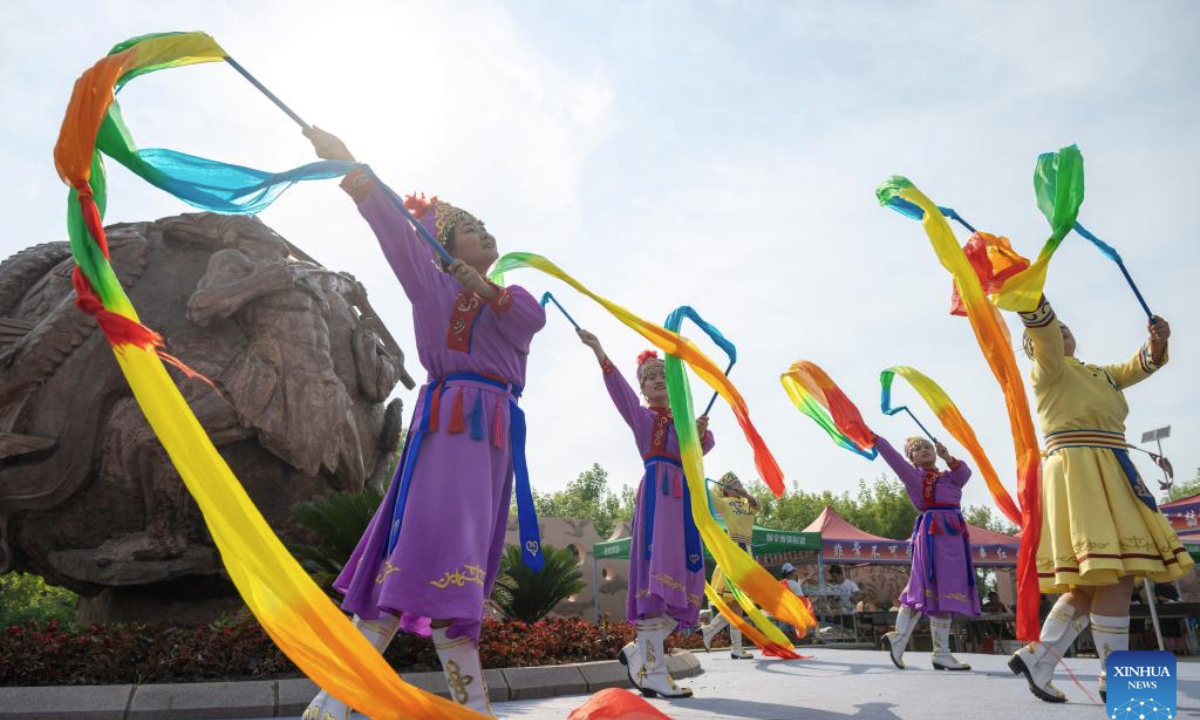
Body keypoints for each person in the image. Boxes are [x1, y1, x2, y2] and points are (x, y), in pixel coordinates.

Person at [301, 127, 547, 718]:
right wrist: (350, 165)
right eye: (469, 228)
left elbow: (527, 322)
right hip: (452, 425)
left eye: (485, 225)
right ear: (444, 244)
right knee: (420, 546)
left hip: (492, 436)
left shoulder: (513, 300)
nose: (484, 232)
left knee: (457, 561)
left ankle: (355, 705)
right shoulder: (429, 285)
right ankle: (337, 701)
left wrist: (485, 289)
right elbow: (390, 226)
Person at [1006, 298, 1192, 703]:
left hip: (1111, 466)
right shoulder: (1047, 370)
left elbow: (1138, 366)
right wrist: (1029, 295)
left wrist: (1158, 344)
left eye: (1067, 329)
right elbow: (1044, 334)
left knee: (1093, 582)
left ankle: (1039, 658)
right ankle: (1117, 682)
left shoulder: (1099, 374)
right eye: (1054, 332)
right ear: (1037, 346)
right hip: (1080, 471)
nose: (1062, 334)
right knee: (1117, 571)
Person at [578, 329, 713, 698]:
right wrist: (600, 351)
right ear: (643, 389)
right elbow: (619, 391)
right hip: (657, 497)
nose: (657, 381)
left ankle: (640, 652)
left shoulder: (684, 425)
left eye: (663, 376)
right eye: (650, 377)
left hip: (684, 500)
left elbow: (697, 459)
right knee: (656, 583)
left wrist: (698, 434)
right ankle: (652, 671)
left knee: (686, 581)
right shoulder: (642, 418)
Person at [875, 435, 979, 671]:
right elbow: (891, 457)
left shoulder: (949, 477)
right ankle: (911, 643)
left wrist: (948, 457)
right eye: (917, 449)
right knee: (924, 586)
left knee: (945, 591)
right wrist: (876, 439)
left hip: (954, 535)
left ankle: (929, 649)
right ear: (910, 458)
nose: (924, 450)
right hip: (933, 534)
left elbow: (965, 474)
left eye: (928, 447)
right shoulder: (914, 477)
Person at [700, 471, 759, 659]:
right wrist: (697, 470)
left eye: (738, 481)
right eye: (733, 482)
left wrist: (746, 494)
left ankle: (712, 633)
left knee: (738, 604)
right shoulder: (724, 504)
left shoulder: (746, 503)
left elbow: (758, 506)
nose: (738, 484)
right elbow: (707, 492)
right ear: (725, 488)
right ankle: (732, 646)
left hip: (746, 551)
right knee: (737, 602)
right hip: (734, 550)